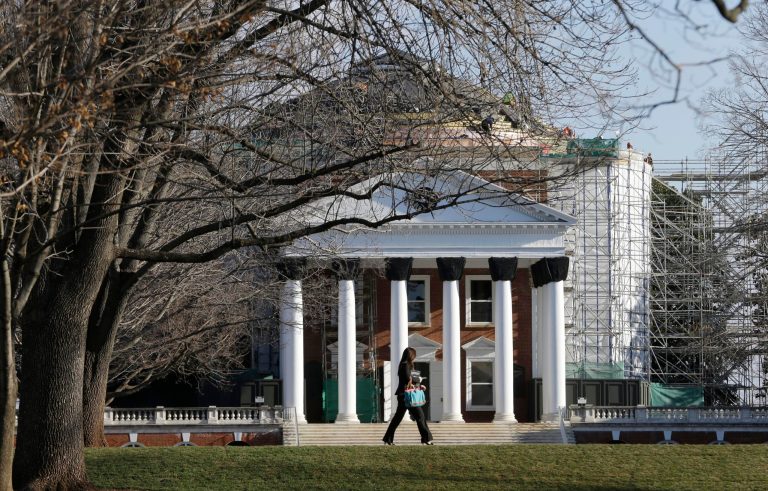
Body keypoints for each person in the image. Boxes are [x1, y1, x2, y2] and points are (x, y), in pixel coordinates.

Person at [382, 347, 434, 445]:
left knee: (397, 418)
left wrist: (419, 385)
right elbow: (408, 378)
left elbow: (409, 380)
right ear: (411, 356)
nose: (414, 358)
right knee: (420, 416)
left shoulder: (405, 365)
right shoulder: (405, 365)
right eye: (414, 355)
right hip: (406, 396)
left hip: (404, 395)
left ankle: (387, 439)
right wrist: (419, 380)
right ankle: (426, 439)